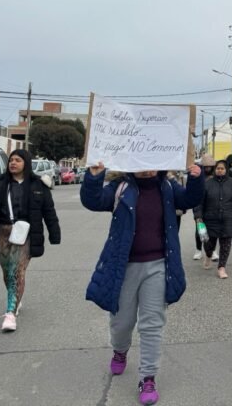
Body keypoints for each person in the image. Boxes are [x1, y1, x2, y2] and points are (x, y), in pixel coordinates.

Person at [80, 160, 203, 406]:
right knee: (122, 322)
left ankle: (148, 377)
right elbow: (93, 201)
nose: (147, 167)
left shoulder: (167, 187)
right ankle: (120, 349)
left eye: (152, 162)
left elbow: (190, 199)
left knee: (152, 324)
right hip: (123, 267)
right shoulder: (121, 187)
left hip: (158, 266)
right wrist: (94, 177)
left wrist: (197, 177)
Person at [0, 148, 61, 332]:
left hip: (25, 233)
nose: (13, 163)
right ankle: (15, 298)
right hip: (2, 232)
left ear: (25, 163)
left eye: (18, 160)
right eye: (11, 160)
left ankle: (10, 313)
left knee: (16, 271)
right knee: (6, 272)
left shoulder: (38, 185)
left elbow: (49, 212)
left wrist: (54, 233)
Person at [196, 159, 232, 278]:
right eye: (218, 168)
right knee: (208, 243)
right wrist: (198, 216)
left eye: (222, 168)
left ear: (226, 170)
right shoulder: (207, 183)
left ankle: (221, 268)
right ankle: (208, 255)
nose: (220, 170)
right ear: (215, 169)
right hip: (209, 219)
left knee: (226, 245)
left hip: (228, 219)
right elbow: (199, 202)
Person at [192, 154, 216, 261]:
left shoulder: (216, 177)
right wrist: (197, 213)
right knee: (200, 229)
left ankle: (212, 250)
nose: (207, 168)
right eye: (205, 166)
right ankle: (198, 250)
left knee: (213, 231)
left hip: (213, 207)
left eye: (209, 166)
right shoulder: (198, 176)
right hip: (199, 205)